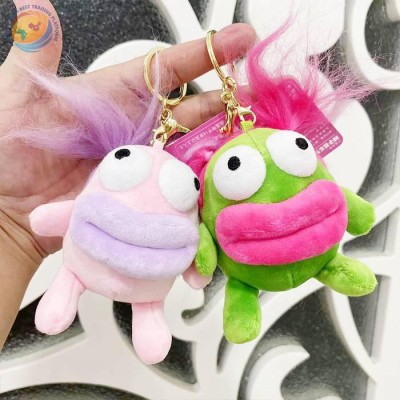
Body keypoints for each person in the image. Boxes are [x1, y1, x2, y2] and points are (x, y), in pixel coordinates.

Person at [0, 0, 256, 349]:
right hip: (130, 273)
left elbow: (44, 219)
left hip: (104, 260)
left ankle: (87, 294)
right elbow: (196, 269)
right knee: (124, 294)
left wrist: (11, 229)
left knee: (87, 280)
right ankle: (129, 308)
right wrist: (9, 228)